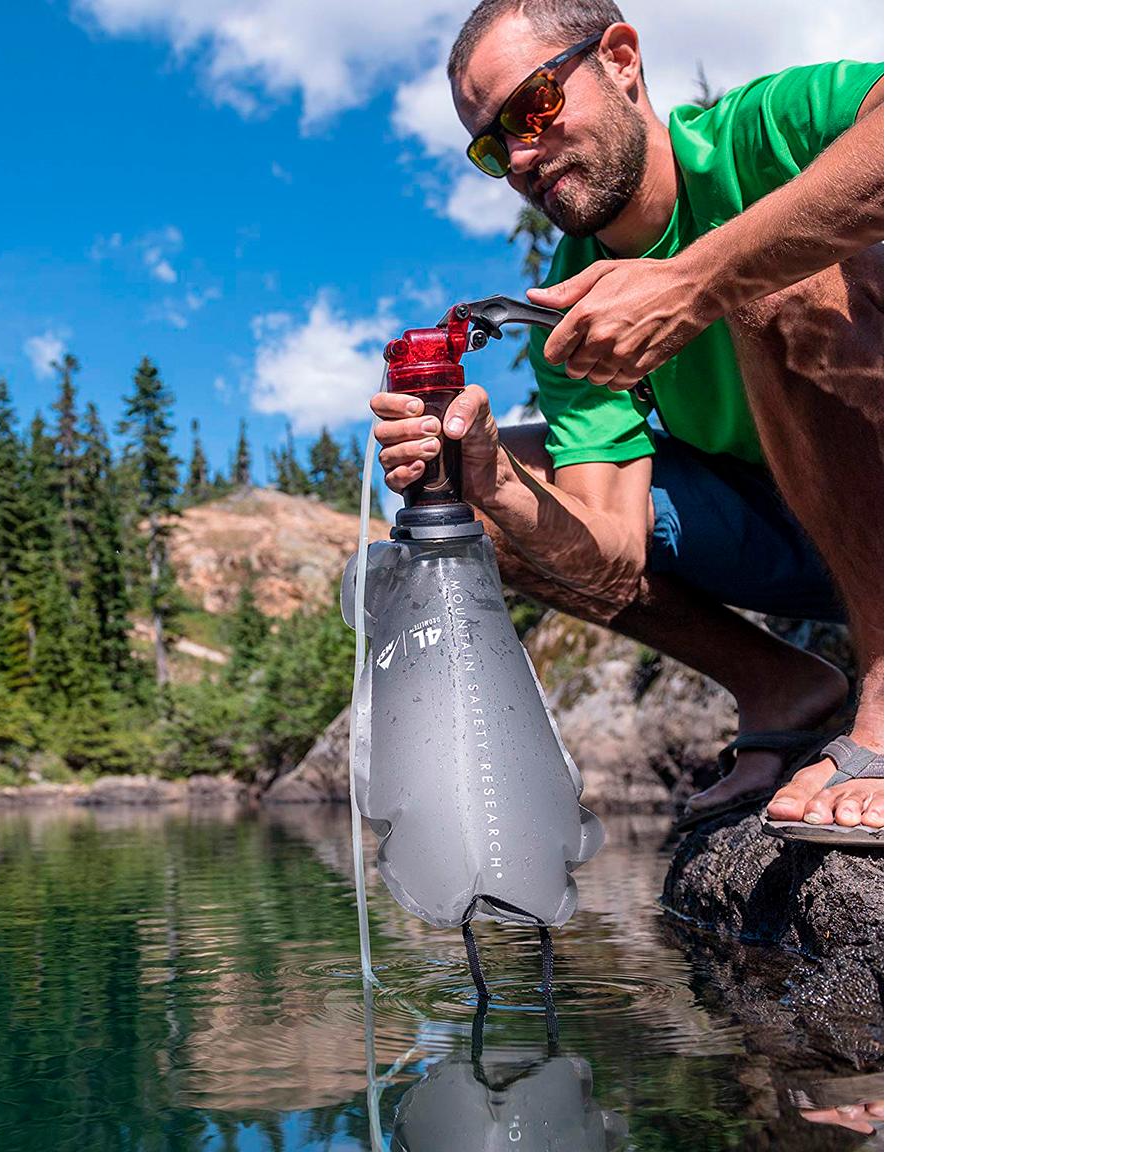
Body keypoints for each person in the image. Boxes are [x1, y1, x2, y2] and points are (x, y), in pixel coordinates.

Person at [371, 0, 885, 846]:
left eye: (533, 107)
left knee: (776, 284)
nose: (523, 158)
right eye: (494, 147)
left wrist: (697, 280)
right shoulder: (570, 307)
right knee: (482, 516)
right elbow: (612, 557)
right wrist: (492, 479)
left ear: (619, 59)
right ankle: (783, 691)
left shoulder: (763, 130)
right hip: (797, 540)